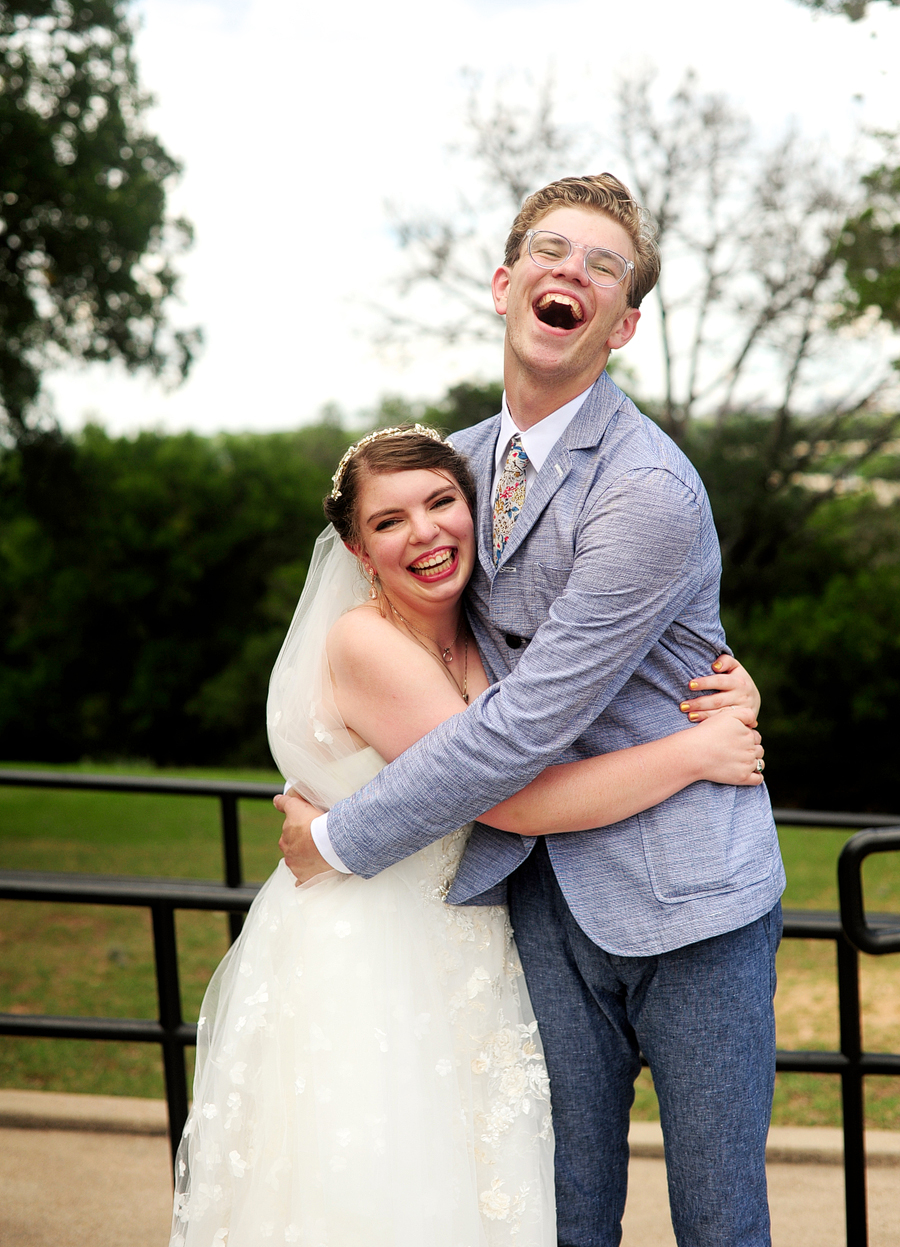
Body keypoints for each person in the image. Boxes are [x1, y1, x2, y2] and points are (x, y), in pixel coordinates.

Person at [277, 175, 786, 1247]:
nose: (574, 272)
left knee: (719, 1222)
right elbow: (412, 636)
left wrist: (340, 834)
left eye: (604, 265)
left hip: (691, 893)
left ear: (625, 323)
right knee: (559, 1214)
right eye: (551, 252)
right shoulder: (451, 469)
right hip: (538, 897)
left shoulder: (646, 486)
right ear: (506, 285)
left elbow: (523, 724)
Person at [170, 426, 765, 1247]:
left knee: (494, 1190)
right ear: (357, 548)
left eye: (442, 502)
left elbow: (618, 651)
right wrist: (696, 752)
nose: (424, 531)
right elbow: (509, 796)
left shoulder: (480, 616)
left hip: (476, 932)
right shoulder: (367, 641)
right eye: (389, 521)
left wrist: (731, 683)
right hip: (379, 943)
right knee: (391, 1184)